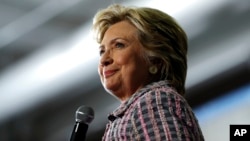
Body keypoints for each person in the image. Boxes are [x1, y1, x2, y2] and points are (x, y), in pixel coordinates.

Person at [92, 4, 204, 141]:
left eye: (119, 45)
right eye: (102, 51)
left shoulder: (154, 101)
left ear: (155, 60)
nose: (104, 59)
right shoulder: (139, 108)